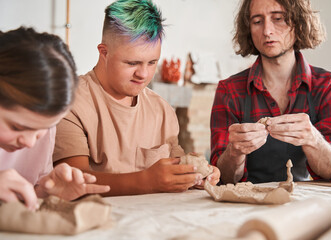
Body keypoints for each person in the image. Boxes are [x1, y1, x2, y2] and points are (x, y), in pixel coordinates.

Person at [53, 0, 220, 196]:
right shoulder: (70, 101)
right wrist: (147, 181)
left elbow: (175, 172)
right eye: (132, 62)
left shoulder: (162, 110)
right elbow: (74, 180)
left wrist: (195, 176)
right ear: (104, 52)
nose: (143, 74)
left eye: (152, 62)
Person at [210, 0, 331, 184]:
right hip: (244, 204)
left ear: (299, 23)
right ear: (249, 29)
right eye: (257, 21)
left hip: (304, 202)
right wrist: (234, 152)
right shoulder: (229, 90)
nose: (267, 31)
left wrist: (312, 139)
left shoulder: (329, 86)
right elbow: (223, 178)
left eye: (278, 18)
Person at [0, 27, 110, 211]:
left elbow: (17, 200)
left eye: (40, 131)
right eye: (17, 127)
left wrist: (43, 193)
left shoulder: (45, 128)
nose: (28, 142)